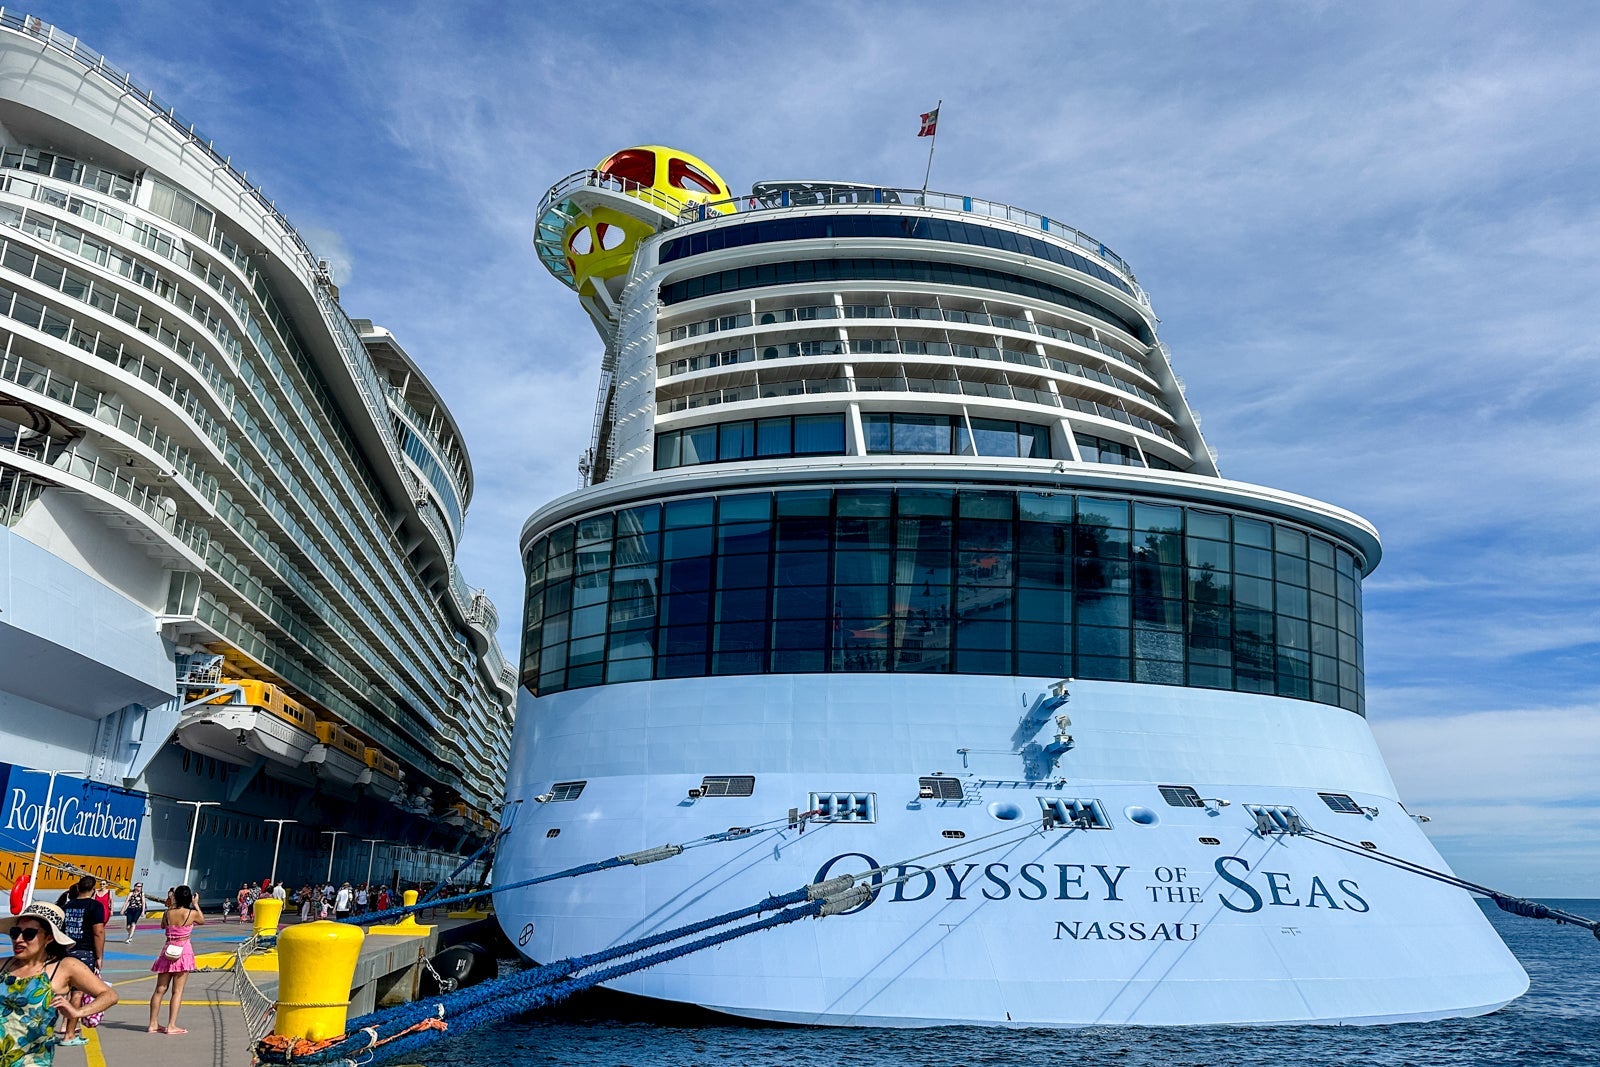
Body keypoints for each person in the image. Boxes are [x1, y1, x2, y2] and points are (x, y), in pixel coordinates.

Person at [2, 902, 117, 1064]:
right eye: (15, 933)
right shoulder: (3, 966)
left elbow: (110, 996)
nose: (19, 939)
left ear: (49, 937)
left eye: (28, 934)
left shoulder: (64, 967)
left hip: (31, 1060)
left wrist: (78, 1012)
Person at [147, 886, 204, 1035]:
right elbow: (202, 920)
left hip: (168, 950)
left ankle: (153, 1023)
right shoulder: (191, 913)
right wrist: (196, 904)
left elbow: (162, 925)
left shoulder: (167, 913)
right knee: (177, 991)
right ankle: (171, 1025)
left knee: (159, 989)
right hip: (183, 952)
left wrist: (172, 905)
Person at [56, 877, 105, 1045]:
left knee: (61, 991)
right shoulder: (95, 906)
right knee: (77, 993)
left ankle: (51, 1029)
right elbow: (98, 932)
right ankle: (69, 1034)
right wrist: (99, 956)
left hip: (66, 951)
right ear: (93, 889)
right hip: (84, 952)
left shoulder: (67, 906)